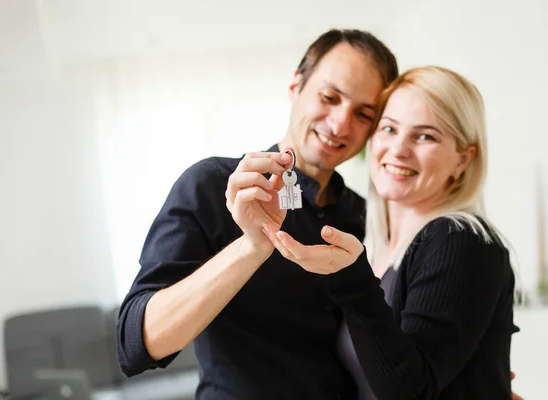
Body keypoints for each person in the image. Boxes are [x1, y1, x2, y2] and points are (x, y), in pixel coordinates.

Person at [116, 28, 399, 400]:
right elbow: (136, 346)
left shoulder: (365, 217)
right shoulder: (211, 185)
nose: (340, 124)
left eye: (363, 113)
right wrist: (251, 246)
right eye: (330, 97)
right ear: (295, 87)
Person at [263, 66, 521, 399]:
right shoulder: (378, 244)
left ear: (462, 159)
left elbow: (409, 390)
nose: (398, 150)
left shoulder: (459, 240)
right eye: (389, 129)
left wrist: (349, 276)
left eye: (425, 135)